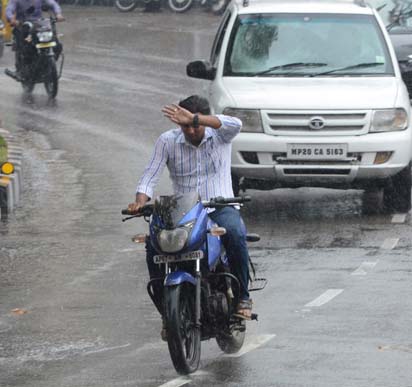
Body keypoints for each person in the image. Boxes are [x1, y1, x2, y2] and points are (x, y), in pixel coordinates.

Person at [128, 95, 253, 323]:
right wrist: (140, 200)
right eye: (185, 126)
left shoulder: (221, 136)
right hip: (182, 212)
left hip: (219, 207)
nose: (191, 131)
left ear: (204, 121)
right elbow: (150, 175)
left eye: (195, 125)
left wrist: (196, 118)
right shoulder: (167, 141)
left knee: (235, 233)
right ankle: (168, 313)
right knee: (153, 249)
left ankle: (243, 297)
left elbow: (236, 123)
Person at [6, 0, 64, 76]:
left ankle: (48, 63)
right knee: (22, 45)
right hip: (22, 25)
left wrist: (58, 14)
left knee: (57, 44)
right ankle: (19, 70)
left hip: (38, 25)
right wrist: (12, 19)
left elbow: (53, 4)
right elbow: (9, 10)